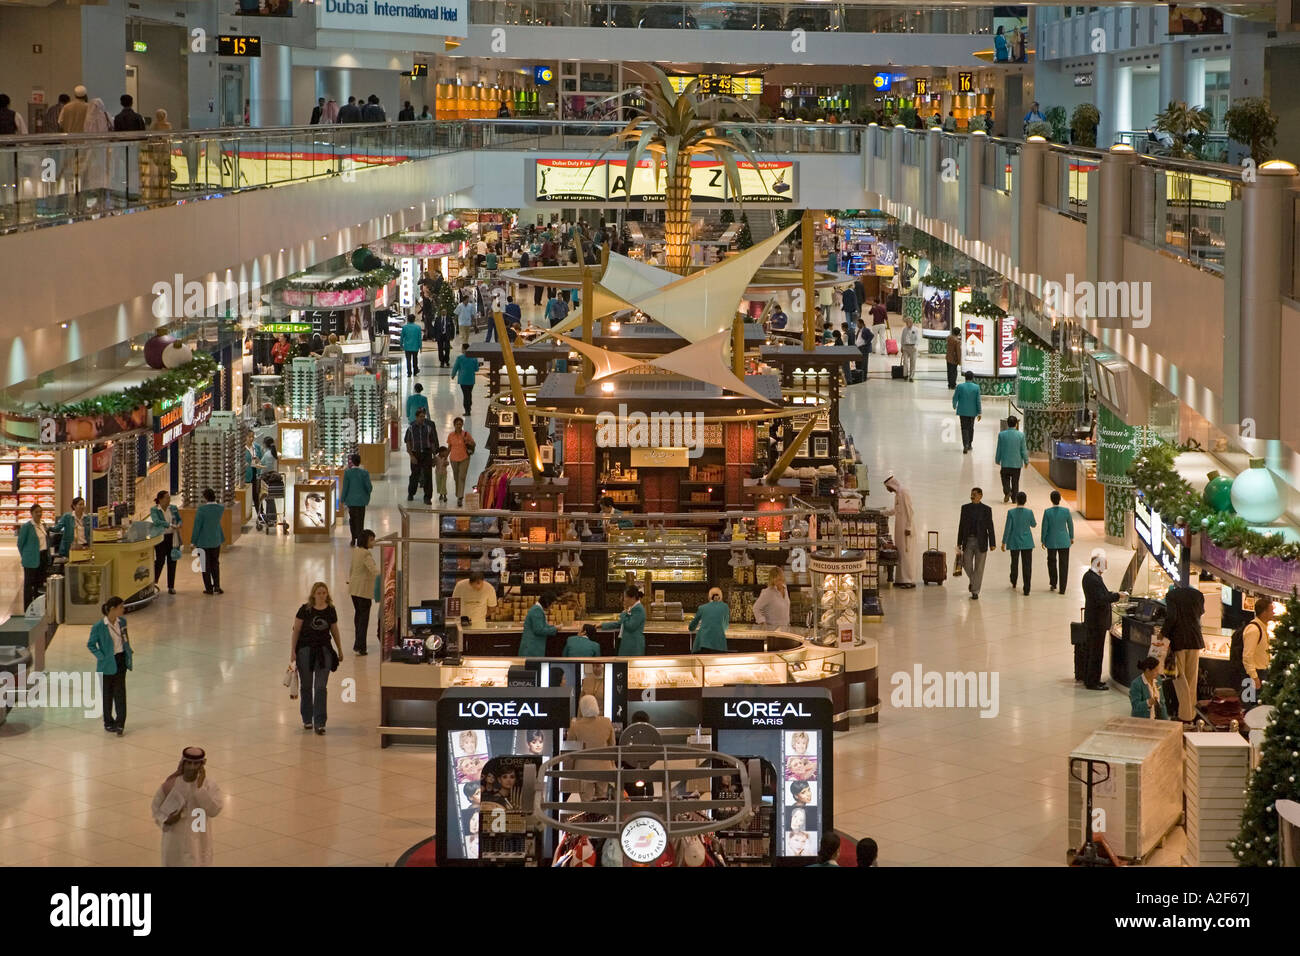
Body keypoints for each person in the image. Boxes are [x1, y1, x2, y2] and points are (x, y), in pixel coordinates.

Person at [150, 747, 223, 866]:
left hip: (199, 840)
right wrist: (167, 820)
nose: (191, 767)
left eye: (195, 764)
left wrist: (200, 789)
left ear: (201, 765)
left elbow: (214, 810)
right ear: (183, 763)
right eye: (188, 763)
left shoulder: (209, 786)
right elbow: (156, 809)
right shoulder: (171, 785)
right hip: (174, 840)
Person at [291, 582, 344, 734]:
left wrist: (339, 649)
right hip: (305, 651)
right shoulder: (304, 610)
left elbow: (334, 630)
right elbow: (296, 630)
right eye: (319, 593)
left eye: (324, 593)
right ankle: (307, 719)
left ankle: (320, 722)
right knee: (306, 686)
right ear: (313, 595)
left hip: (324, 651)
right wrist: (293, 651)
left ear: (327, 594)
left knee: (320, 687)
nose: (321, 595)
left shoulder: (331, 610)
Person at [86, 595, 131, 735]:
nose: (123, 609)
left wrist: (128, 651)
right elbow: (91, 644)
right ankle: (108, 722)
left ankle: (120, 723)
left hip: (120, 660)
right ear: (112, 609)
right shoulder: (99, 627)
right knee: (107, 694)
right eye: (121, 607)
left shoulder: (122, 622)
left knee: (120, 693)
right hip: (106, 664)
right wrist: (102, 657)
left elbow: (125, 639)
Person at [1080, 549, 1123, 690]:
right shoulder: (1093, 579)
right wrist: (1117, 596)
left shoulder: (1091, 577)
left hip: (1094, 620)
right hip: (1096, 621)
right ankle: (1093, 681)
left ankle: (1091, 678)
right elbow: (1100, 599)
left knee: (1093, 651)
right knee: (1095, 652)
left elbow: (1101, 595)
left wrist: (1112, 594)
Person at [1164, 584, 1205, 722]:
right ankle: (1191, 714)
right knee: (1192, 679)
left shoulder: (1171, 596)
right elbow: (1200, 613)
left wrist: (1163, 633)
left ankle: (1185, 716)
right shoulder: (1198, 595)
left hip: (1178, 640)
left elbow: (1171, 617)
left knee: (1179, 678)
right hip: (1195, 639)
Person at [567, 694, 616, 800]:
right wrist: (612, 764)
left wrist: (568, 770)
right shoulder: (606, 722)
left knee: (586, 801)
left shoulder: (575, 726)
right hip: (604, 768)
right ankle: (602, 810)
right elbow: (612, 746)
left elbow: (570, 750)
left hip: (583, 770)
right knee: (602, 798)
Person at [956, 486, 996, 600]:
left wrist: (992, 543)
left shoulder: (987, 510)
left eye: (975, 494)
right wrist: (959, 542)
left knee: (979, 567)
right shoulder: (965, 508)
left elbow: (990, 526)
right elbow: (961, 525)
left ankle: (975, 591)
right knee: (966, 563)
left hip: (981, 541)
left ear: (980, 496)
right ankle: (974, 582)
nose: (972, 496)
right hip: (968, 541)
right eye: (971, 494)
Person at [348, 529, 379, 655]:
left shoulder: (356, 551)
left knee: (358, 616)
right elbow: (374, 570)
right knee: (363, 619)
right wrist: (387, 575)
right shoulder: (366, 554)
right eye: (371, 540)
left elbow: (351, 568)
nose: (373, 542)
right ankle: (360, 646)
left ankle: (358, 644)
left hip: (354, 589)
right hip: (363, 591)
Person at [883, 475, 916, 588]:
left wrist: (909, 527)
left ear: (891, 485)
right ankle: (901, 579)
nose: (888, 490)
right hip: (899, 528)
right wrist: (883, 513)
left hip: (906, 529)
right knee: (900, 553)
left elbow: (910, 511)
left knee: (906, 554)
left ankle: (909, 580)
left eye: (888, 487)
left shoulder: (904, 493)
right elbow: (896, 510)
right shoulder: (897, 494)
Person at [190, 488, 225, 595]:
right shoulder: (220, 508)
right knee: (215, 563)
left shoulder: (201, 510)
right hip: (216, 540)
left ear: (205, 497)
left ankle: (209, 588)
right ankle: (217, 586)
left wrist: (193, 541)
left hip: (203, 541)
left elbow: (197, 526)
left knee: (205, 566)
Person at [1001, 491, 1036, 595]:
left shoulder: (1011, 512)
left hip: (1014, 541)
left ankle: (1014, 581)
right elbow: (1033, 524)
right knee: (1027, 565)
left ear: (1016, 500)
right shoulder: (1029, 512)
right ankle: (1027, 589)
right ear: (1025, 500)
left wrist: (1004, 542)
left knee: (1014, 562)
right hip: (1027, 543)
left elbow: (1007, 528)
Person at [1040, 490, 1074, 595]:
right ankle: (1062, 588)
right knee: (1064, 564)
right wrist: (1071, 537)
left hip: (1051, 541)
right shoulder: (1066, 511)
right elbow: (1070, 525)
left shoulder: (1047, 512)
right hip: (1064, 541)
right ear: (1060, 499)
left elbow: (1044, 527)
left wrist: (1043, 539)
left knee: (1051, 562)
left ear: (1051, 499)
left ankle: (1053, 583)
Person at [148, 491, 182, 594]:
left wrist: (179, 524)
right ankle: (154, 581)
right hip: (161, 538)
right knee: (160, 561)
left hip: (172, 537)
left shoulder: (173, 508)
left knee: (172, 561)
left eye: (169, 497)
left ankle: (171, 586)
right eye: (167, 498)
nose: (169, 499)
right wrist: (170, 525)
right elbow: (156, 521)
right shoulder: (154, 510)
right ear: (160, 499)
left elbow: (179, 519)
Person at [17, 504, 49, 610]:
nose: (39, 514)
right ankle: (28, 608)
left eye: (40, 511)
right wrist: (26, 555)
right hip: (31, 559)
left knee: (39, 583)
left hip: (42, 557)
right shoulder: (27, 527)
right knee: (29, 584)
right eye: (36, 512)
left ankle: (38, 606)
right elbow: (20, 544)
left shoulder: (43, 525)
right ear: (31, 513)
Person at [404, 406, 438, 505]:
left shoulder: (428, 428)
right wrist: (411, 456)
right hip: (416, 454)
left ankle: (427, 497)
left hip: (426, 454)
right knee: (415, 475)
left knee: (428, 475)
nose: (422, 418)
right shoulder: (411, 429)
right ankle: (411, 493)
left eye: (424, 416)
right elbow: (408, 443)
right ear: (416, 417)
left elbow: (432, 442)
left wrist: (434, 456)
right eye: (421, 416)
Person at [1242, 598, 1275, 697]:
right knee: (1252, 702)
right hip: (1256, 674)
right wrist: (1254, 677)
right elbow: (1247, 656)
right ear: (1264, 613)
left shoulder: (1262, 628)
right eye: (1271, 610)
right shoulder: (1254, 629)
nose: (1273, 613)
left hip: (1262, 673)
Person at [599, 585, 646, 655]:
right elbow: (620, 623)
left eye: (625, 597)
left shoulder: (639, 609)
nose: (624, 599)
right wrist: (602, 625)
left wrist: (623, 614)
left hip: (634, 645)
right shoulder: (632, 608)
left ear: (632, 598)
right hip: (627, 643)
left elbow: (631, 626)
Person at [340, 453, 372, 547]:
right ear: (359, 462)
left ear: (352, 462)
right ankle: (360, 540)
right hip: (361, 501)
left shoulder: (348, 473)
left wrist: (342, 499)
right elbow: (369, 487)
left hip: (351, 501)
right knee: (360, 520)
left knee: (352, 520)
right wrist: (366, 494)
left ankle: (353, 538)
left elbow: (345, 488)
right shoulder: (364, 473)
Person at [994, 415, 1029, 501]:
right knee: (1015, 481)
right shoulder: (1021, 435)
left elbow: (999, 448)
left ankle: (1007, 491)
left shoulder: (1002, 435)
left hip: (1005, 463)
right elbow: (1023, 450)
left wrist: (997, 459)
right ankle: (1014, 498)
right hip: (1016, 464)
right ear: (1016, 424)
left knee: (1005, 478)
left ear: (1007, 424)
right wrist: (1026, 461)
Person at [690, 587, 730, 652]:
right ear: (721, 596)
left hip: (703, 642)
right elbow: (725, 626)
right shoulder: (725, 607)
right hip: (719, 643)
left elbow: (691, 627)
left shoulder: (702, 608)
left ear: (709, 596)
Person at [447, 416, 476, 507]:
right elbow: (449, 447)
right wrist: (444, 458)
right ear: (454, 425)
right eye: (457, 424)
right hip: (453, 459)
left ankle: (460, 497)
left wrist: (468, 442)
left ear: (462, 425)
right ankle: (458, 494)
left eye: (460, 424)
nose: (459, 426)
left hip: (464, 458)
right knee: (456, 478)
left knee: (462, 477)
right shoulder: (451, 435)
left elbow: (474, 444)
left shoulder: (466, 434)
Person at [518, 591, 558, 656]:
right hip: (532, 649)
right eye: (552, 604)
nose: (551, 607)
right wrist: (555, 629)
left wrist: (554, 627)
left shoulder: (537, 609)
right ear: (547, 603)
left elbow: (541, 626)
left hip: (532, 648)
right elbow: (539, 630)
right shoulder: (537, 610)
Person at [951, 370, 981, 453]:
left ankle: (965, 445)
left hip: (962, 411)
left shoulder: (960, 386)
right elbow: (978, 401)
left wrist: (954, 405)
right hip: (972, 411)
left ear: (965, 377)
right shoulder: (976, 387)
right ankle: (970, 443)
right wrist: (979, 412)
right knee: (971, 427)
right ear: (972, 378)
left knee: (964, 428)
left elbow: (955, 397)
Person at [451, 343, 479, 416]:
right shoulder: (474, 358)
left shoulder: (460, 358)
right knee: (469, 394)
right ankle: (469, 408)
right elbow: (476, 369)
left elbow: (455, 367)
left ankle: (467, 410)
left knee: (466, 395)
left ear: (463, 349)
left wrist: (453, 375)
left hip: (463, 380)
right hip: (471, 380)